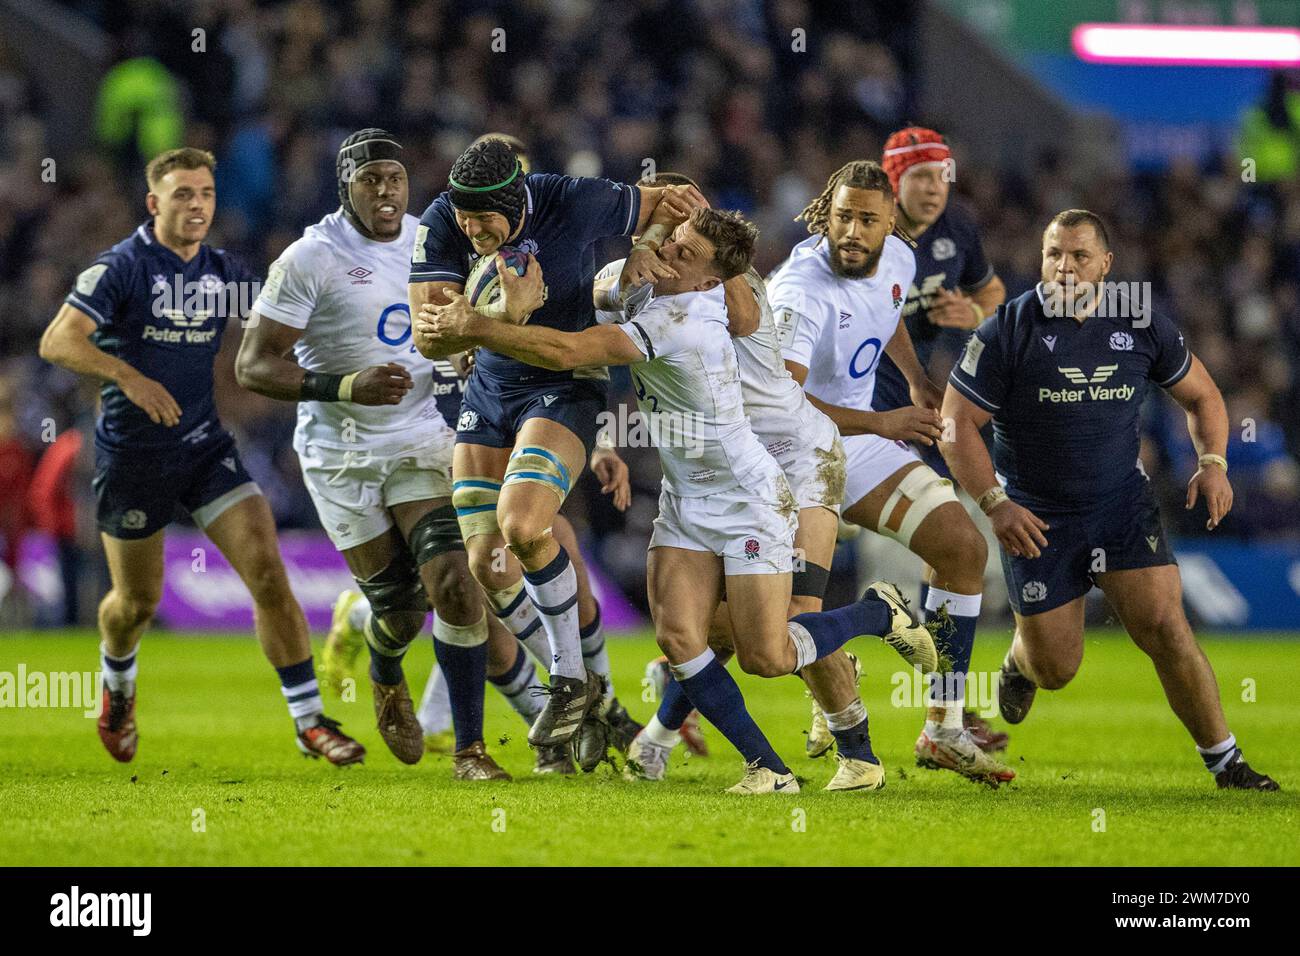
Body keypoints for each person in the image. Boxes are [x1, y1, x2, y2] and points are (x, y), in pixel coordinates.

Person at [417, 206, 935, 794]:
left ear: (710, 282)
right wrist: (514, 306)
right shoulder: (647, 280)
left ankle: (878, 612)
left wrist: (481, 330)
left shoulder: (688, 317)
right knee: (680, 639)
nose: (669, 258)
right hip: (686, 496)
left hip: (748, 495)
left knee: (768, 654)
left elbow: (569, 353)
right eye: (672, 244)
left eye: (684, 256)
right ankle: (768, 768)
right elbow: (579, 299)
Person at [38, 147, 363, 766]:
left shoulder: (224, 271)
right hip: (133, 456)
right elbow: (59, 339)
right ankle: (117, 686)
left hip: (203, 446)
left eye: (207, 194)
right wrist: (128, 377)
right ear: (154, 203)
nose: (197, 205)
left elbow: (279, 322)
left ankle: (308, 721)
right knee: (136, 606)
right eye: (183, 194)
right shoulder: (123, 267)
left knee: (267, 571)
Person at [598, 174, 917, 792]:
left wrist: (696, 226)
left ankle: (859, 741)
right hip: (723, 473)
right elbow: (608, 324)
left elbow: (741, 313)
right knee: (711, 632)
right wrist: (650, 240)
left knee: (789, 623)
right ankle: (666, 740)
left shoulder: (740, 290)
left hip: (797, 459)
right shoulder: (660, 283)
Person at [943, 208, 1279, 791]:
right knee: (1057, 668)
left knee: (1167, 628)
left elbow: (1203, 398)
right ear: (1041, 259)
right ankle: (1020, 663)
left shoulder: (1141, 321)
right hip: (1035, 517)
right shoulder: (1008, 330)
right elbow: (954, 425)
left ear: (1106, 265)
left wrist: (1214, 463)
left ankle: (1228, 763)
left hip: (1120, 507)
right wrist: (995, 503)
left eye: (1078, 255)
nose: (1065, 266)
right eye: (1054, 254)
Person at [408, 137, 702, 749]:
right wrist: (504, 320)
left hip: (565, 385)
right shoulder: (441, 223)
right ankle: (586, 694)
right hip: (488, 393)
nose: (471, 228)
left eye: (483, 216)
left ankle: (569, 680)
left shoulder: (574, 200)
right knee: (489, 566)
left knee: (523, 526)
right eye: (463, 215)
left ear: (518, 201)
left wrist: (643, 251)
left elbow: (676, 203)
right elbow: (431, 340)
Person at [234, 129, 506, 779]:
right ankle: (385, 669)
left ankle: (470, 750)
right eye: (370, 180)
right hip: (340, 453)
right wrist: (342, 385)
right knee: (401, 609)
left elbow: (453, 321)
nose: (385, 191)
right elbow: (252, 364)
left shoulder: (431, 241)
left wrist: (465, 343)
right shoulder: (311, 257)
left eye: (395, 178)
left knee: (455, 585)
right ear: (346, 187)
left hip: (417, 438)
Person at [767, 160, 1014, 785]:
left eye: (867, 220)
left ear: (890, 226)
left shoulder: (899, 260)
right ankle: (830, 676)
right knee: (766, 624)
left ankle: (943, 728)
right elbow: (783, 403)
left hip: (858, 442)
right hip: (789, 454)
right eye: (842, 216)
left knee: (961, 548)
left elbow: (890, 314)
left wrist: (915, 378)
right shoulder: (800, 288)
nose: (851, 230)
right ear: (826, 213)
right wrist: (883, 421)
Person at [870, 127, 1009, 753]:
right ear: (893, 178)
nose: (935, 189)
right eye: (922, 176)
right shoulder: (863, 230)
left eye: (943, 175)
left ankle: (943, 711)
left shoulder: (958, 229)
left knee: (954, 545)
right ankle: (685, 671)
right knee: (784, 586)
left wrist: (974, 315)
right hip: (839, 412)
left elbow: (993, 293)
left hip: (917, 407)